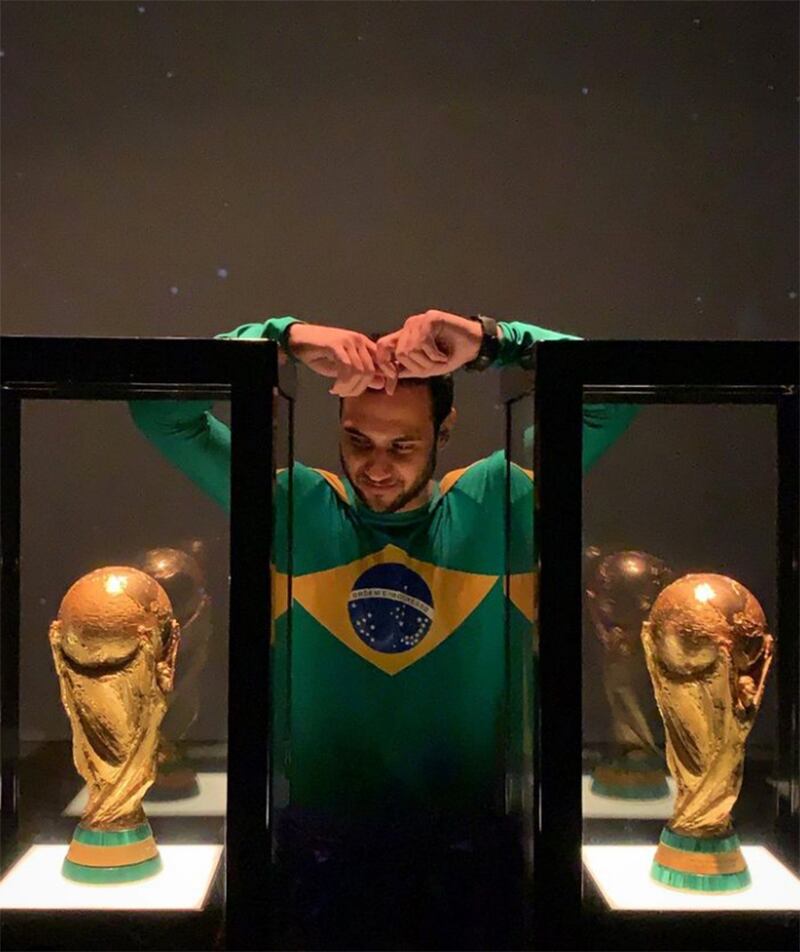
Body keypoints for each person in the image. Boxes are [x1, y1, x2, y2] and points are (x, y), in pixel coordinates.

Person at [130, 309, 636, 949]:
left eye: (403, 446)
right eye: (358, 441)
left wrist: (492, 342)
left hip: (471, 855)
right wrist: (278, 339)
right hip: (318, 854)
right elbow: (157, 404)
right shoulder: (298, 506)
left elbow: (609, 390)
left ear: (444, 429)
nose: (376, 467)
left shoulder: (493, 504)